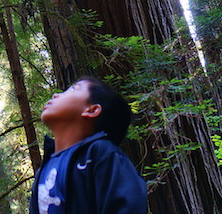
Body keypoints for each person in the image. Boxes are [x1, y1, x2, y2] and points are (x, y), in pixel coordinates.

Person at [30, 76, 147, 214]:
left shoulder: (101, 153)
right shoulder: (43, 170)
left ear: (92, 110)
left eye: (73, 89)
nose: (56, 95)